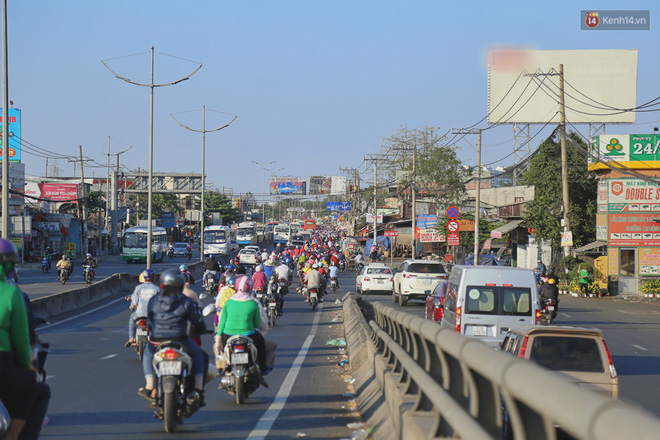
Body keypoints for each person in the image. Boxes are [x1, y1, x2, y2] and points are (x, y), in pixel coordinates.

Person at [0, 239, 50, 440]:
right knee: (38, 390)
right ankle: (12, 435)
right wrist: (28, 365)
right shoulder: (11, 293)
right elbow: (22, 338)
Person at [139, 269, 208, 402]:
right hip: (180, 339)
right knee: (199, 354)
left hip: (157, 340)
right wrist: (202, 329)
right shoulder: (186, 301)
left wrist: (151, 329)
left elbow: (149, 323)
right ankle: (199, 387)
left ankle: (150, 385)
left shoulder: (154, 300)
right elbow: (197, 321)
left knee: (148, 354)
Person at [217, 276, 270, 375]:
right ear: (250, 288)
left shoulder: (229, 302)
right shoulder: (253, 303)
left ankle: (222, 367)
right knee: (261, 342)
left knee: (221, 350)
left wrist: (219, 337)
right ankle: (263, 367)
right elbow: (258, 324)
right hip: (248, 334)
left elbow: (222, 322)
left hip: (228, 335)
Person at [125, 269, 161, 347]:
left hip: (140, 313)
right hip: (152, 313)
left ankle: (131, 338)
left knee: (132, 318)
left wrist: (132, 305)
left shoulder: (138, 288)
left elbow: (134, 301)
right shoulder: (156, 288)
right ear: (154, 278)